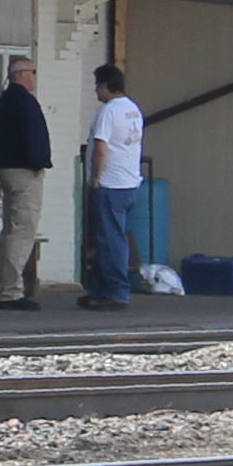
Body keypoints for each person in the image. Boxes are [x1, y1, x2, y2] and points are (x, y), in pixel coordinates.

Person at [0, 54, 56, 308]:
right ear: (22, 74)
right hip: (25, 172)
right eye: (33, 72)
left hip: (5, 170)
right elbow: (34, 138)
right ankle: (9, 291)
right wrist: (40, 162)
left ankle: (2, 287)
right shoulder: (24, 102)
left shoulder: (2, 102)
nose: (35, 78)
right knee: (22, 230)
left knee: (10, 230)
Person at [78, 60, 149, 311]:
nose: (96, 90)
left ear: (107, 85)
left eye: (98, 85)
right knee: (107, 237)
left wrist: (95, 177)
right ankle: (97, 290)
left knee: (110, 240)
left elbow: (101, 147)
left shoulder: (108, 111)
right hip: (130, 182)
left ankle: (116, 291)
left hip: (110, 183)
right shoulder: (133, 109)